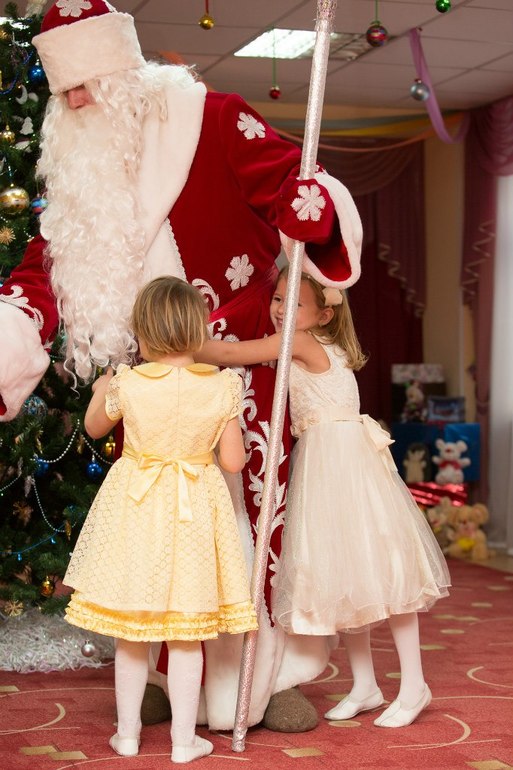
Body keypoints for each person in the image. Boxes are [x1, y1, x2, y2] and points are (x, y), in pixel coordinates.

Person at [0, 0, 363, 732]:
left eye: (85, 84)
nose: (75, 103)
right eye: (63, 92)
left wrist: (312, 208)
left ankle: (269, 677)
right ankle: (170, 672)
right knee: (162, 537)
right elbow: (43, 274)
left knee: (250, 524)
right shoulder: (77, 177)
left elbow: (293, 184)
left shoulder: (213, 118)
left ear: (121, 72)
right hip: (150, 382)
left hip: (240, 368)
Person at [197, 266, 451, 728]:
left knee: (385, 576)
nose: (280, 309)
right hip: (327, 461)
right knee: (346, 576)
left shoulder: (301, 342)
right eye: (277, 299)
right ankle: (365, 685)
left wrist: (175, 346)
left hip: (343, 465)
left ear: (325, 313)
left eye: (293, 303)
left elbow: (232, 353)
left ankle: (414, 685)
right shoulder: (318, 342)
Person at [63, 276, 258, 762]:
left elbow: (93, 427)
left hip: (137, 508)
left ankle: (127, 735)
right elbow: (233, 462)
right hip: (194, 513)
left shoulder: (127, 383)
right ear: (197, 330)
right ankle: (183, 742)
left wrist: (104, 387)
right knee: (187, 631)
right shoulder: (222, 386)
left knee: (131, 629)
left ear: (142, 333)